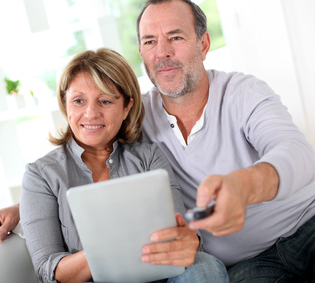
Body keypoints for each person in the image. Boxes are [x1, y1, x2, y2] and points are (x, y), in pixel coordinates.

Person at [0, 0, 315, 282]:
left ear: (202, 43)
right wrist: (29, 207)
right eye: (149, 41)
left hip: (306, 228)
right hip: (249, 267)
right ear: (141, 52)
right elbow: (88, 157)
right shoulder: (133, 116)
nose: (163, 53)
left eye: (175, 37)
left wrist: (243, 186)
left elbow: (296, 152)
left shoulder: (242, 93)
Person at [16, 48, 228, 283]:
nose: (91, 113)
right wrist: (112, 248)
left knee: (204, 265)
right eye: (78, 101)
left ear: (127, 107)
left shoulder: (148, 157)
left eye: (105, 101)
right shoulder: (41, 175)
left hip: (160, 277)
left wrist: (187, 241)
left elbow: (185, 241)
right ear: (65, 104)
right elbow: (49, 271)